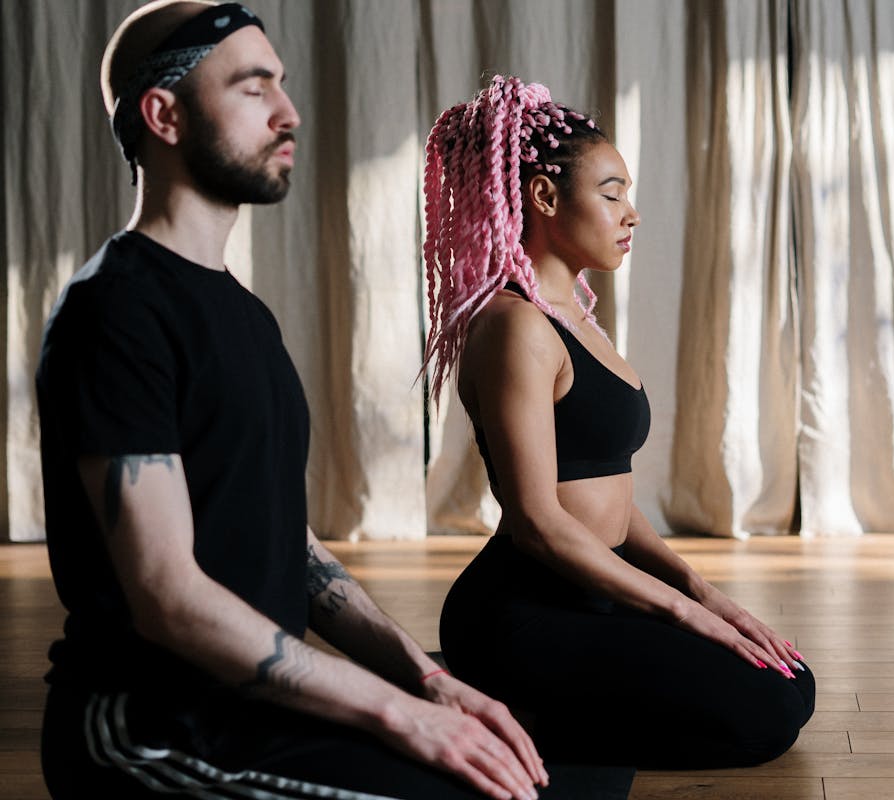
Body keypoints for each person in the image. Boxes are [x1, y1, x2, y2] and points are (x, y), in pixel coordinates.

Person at [35, 5, 588, 799]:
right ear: (163, 114)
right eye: (253, 88)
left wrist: (426, 682)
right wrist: (399, 716)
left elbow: (289, 549)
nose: (288, 112)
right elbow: (168, 600)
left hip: (256, 706)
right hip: (149, 731)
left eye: (283, 86)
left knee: (508, 780)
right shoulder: (114, 310)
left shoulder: (244, 315)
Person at [425, 75, 816, 768]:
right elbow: (538, 520)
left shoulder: (575, 316)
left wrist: (700, 590)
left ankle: (530, 711)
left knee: (790, 680)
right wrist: (680, 614)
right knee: (766, 713)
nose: (631, 214)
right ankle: (509, 722)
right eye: (612, 194)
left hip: (595, 592)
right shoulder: (517, 329)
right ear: (545, 197)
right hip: (523, 613)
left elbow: (609, 494)